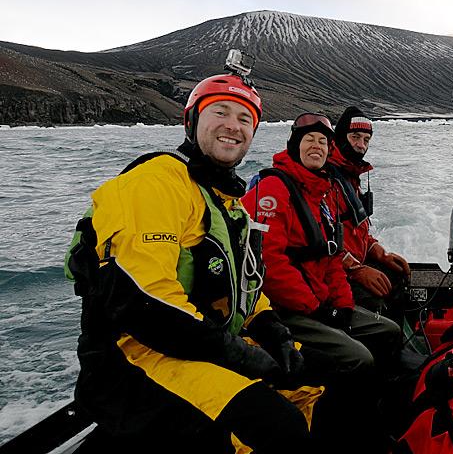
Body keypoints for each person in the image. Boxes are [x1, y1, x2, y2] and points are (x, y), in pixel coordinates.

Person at [67, 67, 326, 452]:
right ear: (192, 120)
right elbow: (146, 302)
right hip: (134, 356)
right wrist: (240, 355)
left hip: (201, 343)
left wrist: (275, 333)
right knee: (274, 424)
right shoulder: (156, 183)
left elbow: (247, 288)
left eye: (244, 119)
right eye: (220, 112)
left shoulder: (227, 203)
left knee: (315, 376)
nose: (233, 126)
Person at [241, 112, 402, 380]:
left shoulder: (319, 195)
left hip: (319, 299)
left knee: (390, 330)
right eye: (309, 139)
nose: (316, 146)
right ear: (295, 145)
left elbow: (331, 257)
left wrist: (343, 306)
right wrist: (316, 308)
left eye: (322, 142)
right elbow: (268, 263)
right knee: (359, 358)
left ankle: (385, 396)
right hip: (283, 309)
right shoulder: (273, 191)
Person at [326, 106, 410, 317]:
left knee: (397, 276)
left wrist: (380, 253)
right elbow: (322, 239)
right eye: (355, 137)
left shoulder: (350, 175)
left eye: (366, 139)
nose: (361, 146)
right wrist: (356, 269)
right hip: (332, 270)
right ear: (340, 137)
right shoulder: (325, 178)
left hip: (353, 262)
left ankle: (398, 341)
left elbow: (356, 230)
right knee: (374, 299)